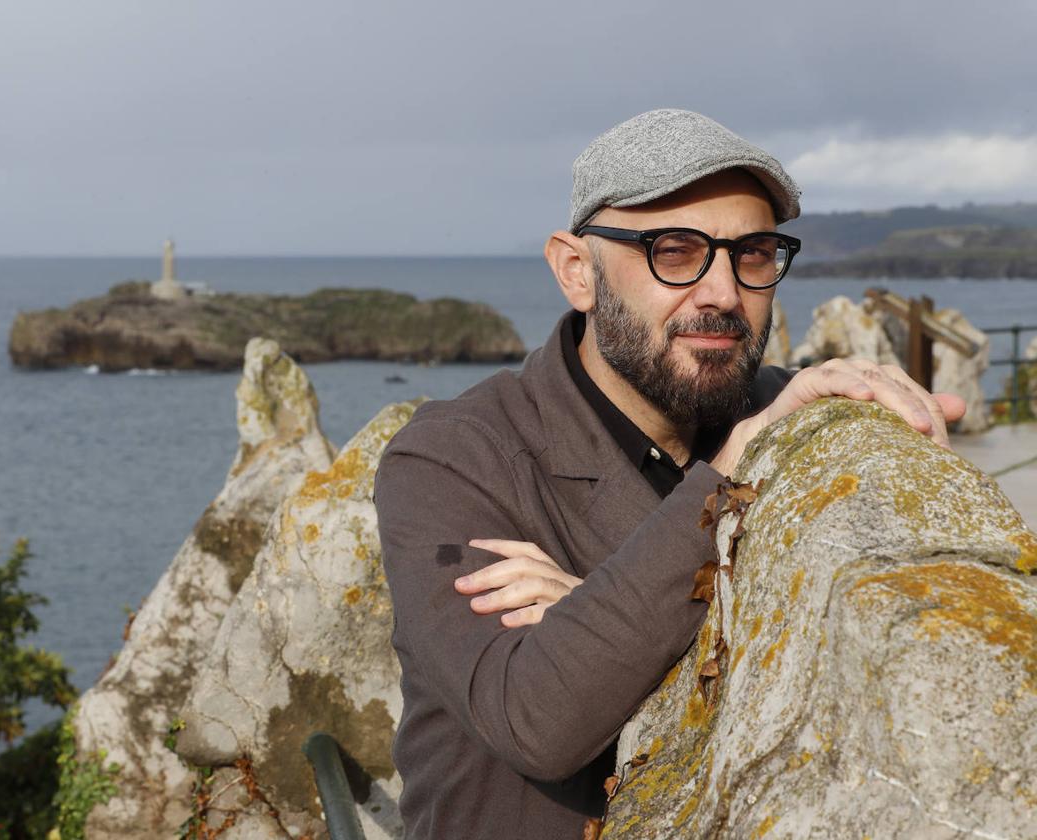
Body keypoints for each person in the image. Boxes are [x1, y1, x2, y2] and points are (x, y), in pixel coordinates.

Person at [373, 109, 964, 840]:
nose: (722, 292)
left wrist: (588, 607)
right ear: (576, 271)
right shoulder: (453, 458)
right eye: (675, 252)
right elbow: (538, 719)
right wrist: (726, 476)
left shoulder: (789, 418)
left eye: (752, 254)